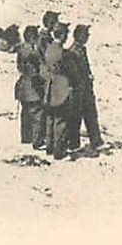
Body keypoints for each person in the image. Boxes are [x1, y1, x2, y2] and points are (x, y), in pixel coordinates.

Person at [64, 23, 104, 154]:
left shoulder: (81, 49)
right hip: (78, 90)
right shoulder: (72, 52)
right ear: (79, 36)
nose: (88, 37)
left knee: (91, 115)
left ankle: (96, 141)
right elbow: (73, 73)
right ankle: (73, 143)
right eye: (86, 34)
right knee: (75, 118)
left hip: (86, 89)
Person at [43, 22, 76, 159]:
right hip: (62, 88)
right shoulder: (63, 53)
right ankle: (59, 151)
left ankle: (50, 147)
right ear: (62, 35)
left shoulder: (49, 48)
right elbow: (70, 72)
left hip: (50, 88)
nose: (67, 37)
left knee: (51, 118)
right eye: (66, 34)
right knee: (61, 121)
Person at [15, 26, 45, 147]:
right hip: (32, 88)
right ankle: (37, 141)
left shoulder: (21, 49)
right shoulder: (32, 53)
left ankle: (26, 138)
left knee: (26, 114)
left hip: (23, 87)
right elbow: (39, 66)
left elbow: (19, 67)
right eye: (36, 36)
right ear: (32, 37)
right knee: (37, 114)